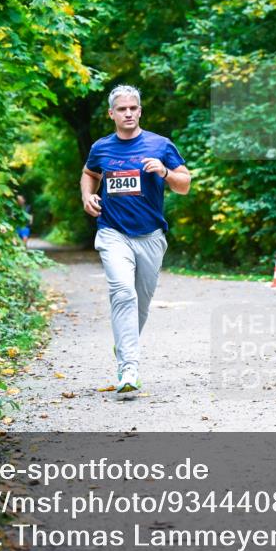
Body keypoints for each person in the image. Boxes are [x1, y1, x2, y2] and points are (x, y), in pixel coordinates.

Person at [81, 85, 191, 393]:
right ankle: (128, 368)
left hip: (151, 236)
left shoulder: (160, 145)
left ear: (140, 111)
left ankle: (124, 346)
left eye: (133, 108)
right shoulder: (101, 148)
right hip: (112, 232)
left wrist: (166, 172)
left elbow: (185, 184)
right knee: (123, 293)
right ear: (111, 114)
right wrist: (87, 196)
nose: (128, 113)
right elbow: (90, 173)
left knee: (140, 303)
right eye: (122, 109)